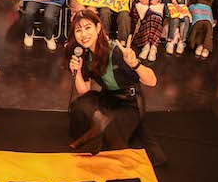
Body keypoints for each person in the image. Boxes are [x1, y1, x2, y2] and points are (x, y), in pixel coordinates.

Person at [65, 10, 157, 155]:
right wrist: (76, 71)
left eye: (88, 28)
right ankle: (100, 126)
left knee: (110, 135)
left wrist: (135, 64)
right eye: (78, 30)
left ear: (98, 28)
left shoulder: (116, 51)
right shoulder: (85, 54)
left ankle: (106, 128)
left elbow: (152, 81)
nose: (83, 34)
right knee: (80, 107)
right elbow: (84, 90)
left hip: (130, 102)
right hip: (109, 98)